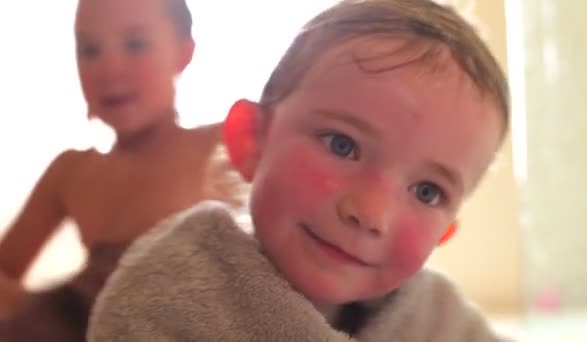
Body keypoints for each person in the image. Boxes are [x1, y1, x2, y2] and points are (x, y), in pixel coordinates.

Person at [88, 0, 514, 340]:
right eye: (342, 145)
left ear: (444, 233)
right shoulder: (170, 292)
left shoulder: (436, 318)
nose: (371, 212)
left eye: (426, 192)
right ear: (251, 140)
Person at [0, 0, 240, 339]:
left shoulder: (222, 144)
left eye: (135, 44)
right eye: (89, 49)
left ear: (184, 52)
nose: (109, 69)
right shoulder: (70, 172)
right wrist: (41, 311)